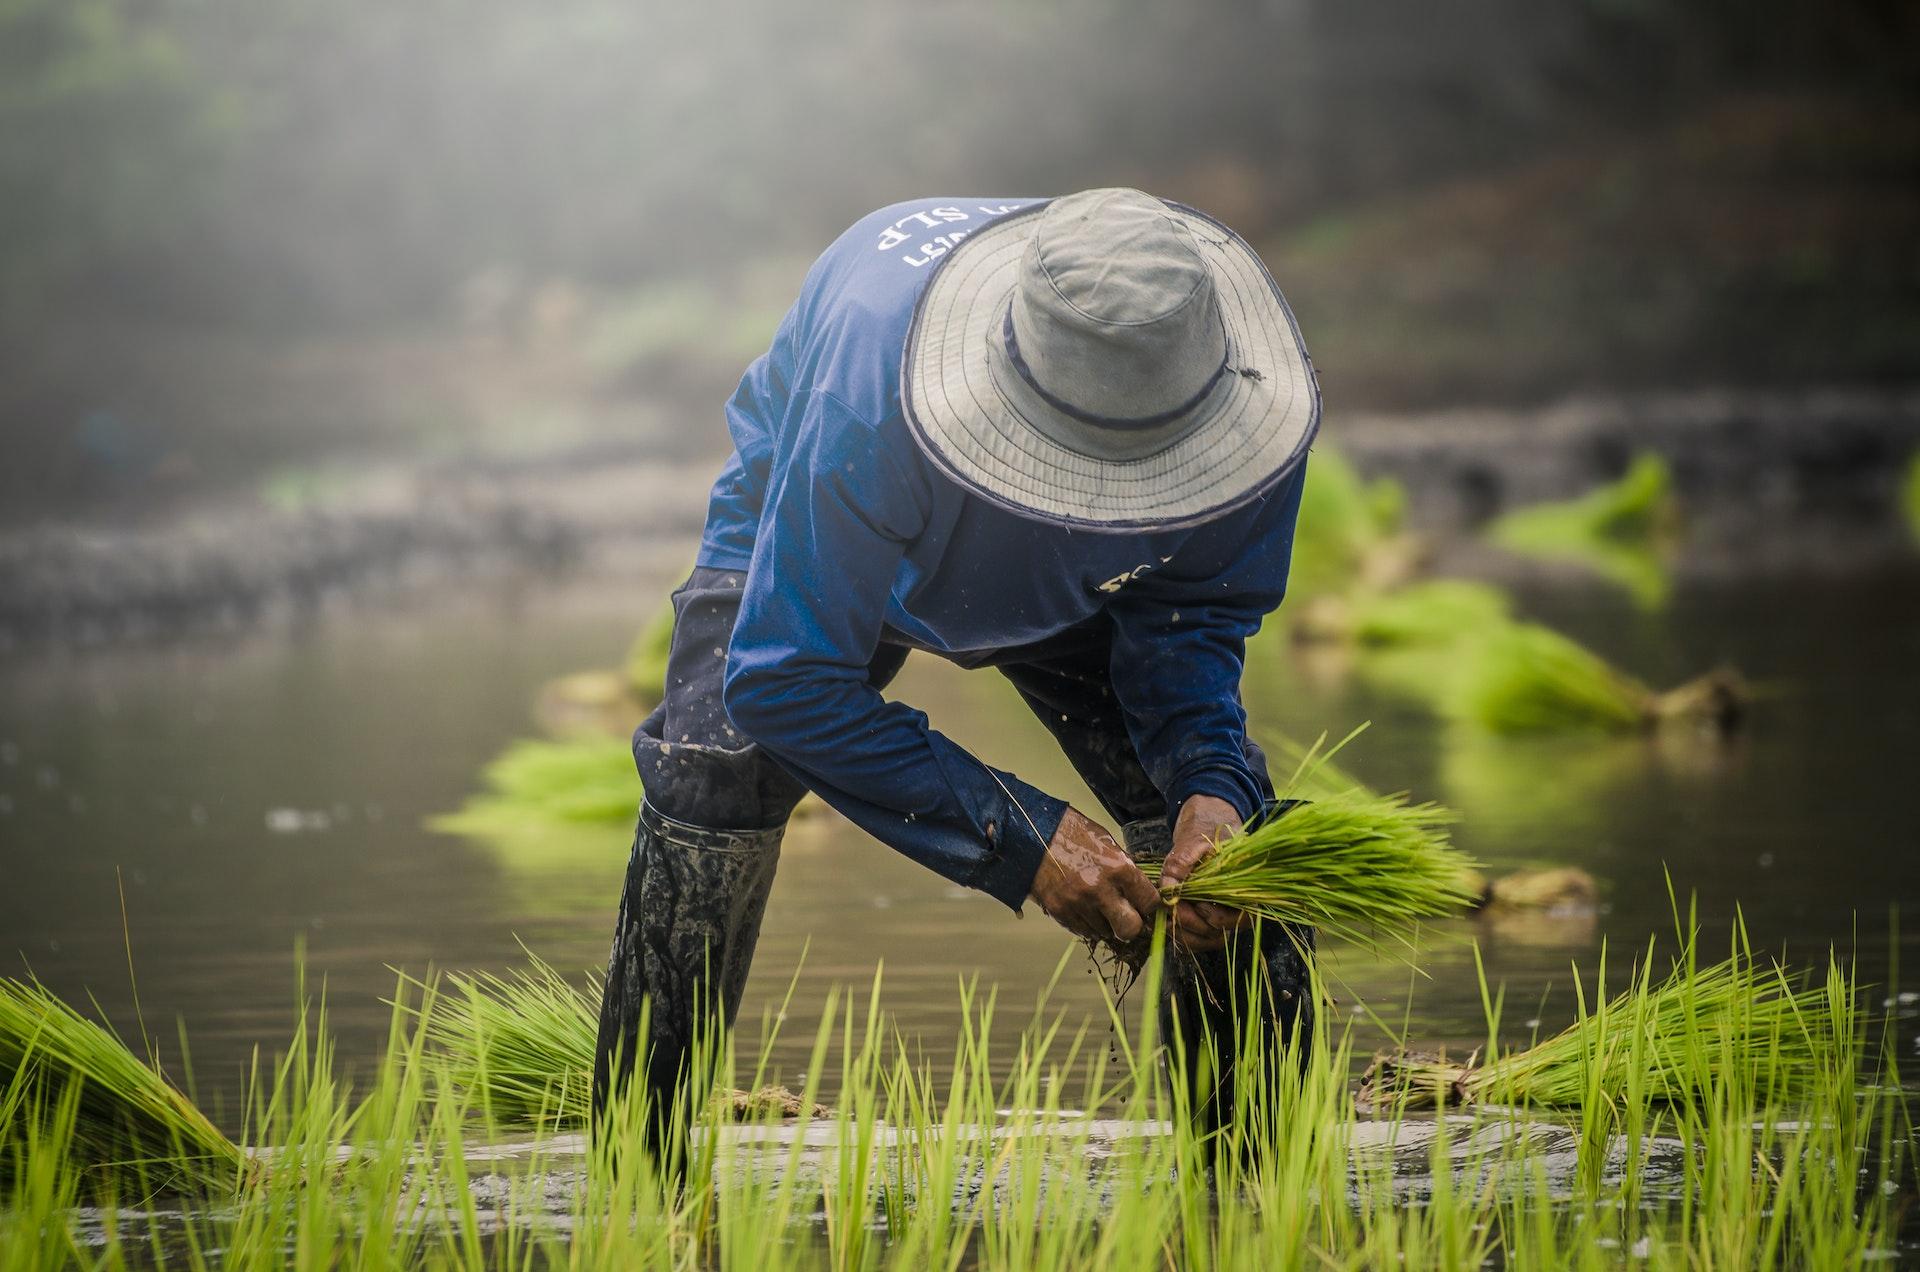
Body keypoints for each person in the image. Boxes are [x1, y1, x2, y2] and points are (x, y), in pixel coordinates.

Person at [591, 187, 1321, 1147]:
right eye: (1088, 474)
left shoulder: (1237, 404)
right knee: (714, 770)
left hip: (1091, 584)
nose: (1106, 493)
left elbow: (1195, 619)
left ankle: (1247, 1178)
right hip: (837, 533)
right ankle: (639, 1167)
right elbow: (781, 678)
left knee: (1230, 851)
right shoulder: (867, 404)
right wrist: (1022, 836)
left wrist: (1211, 786)